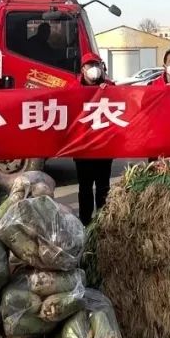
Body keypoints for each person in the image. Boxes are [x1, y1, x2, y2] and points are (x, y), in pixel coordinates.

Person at [70, 53, 114, 224]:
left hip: (104, 147)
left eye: (97, 65)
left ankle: (102, 224)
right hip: (83, 148)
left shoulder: (109, 86)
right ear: (83, 69)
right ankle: (85, 222)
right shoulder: (73, 89)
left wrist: (109, 91)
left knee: (103, 187)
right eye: (90, 66)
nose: (94, 69)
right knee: (85, 188)